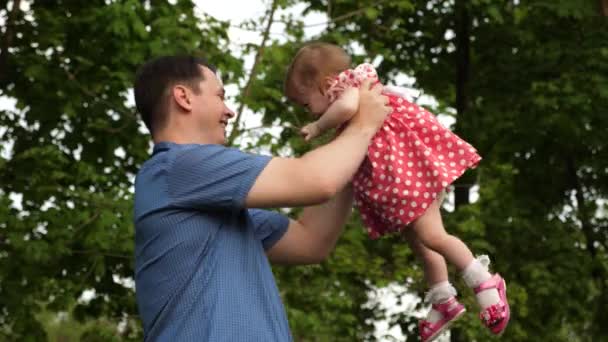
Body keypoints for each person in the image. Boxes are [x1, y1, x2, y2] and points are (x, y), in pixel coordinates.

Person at [132, 55, 390, 341]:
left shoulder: (219, 210)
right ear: (184, 98)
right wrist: (362, 126)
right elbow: (316, 180)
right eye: (220, 96)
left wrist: (351, 138)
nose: (228, 111)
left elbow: (311, 241)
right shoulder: (176, 167)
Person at [284, 42, 510, 342]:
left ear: (327, 84)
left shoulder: (350, 89)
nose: (307, 112)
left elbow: (347, 107)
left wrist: (318, 126)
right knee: (421, 243)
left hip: (412, 176)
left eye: (305, 104)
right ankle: (443, 299)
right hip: (402, 183)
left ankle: (486, 283)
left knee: (432, 237)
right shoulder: (358, 94)